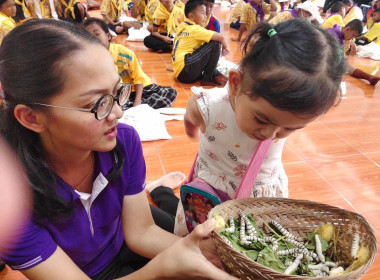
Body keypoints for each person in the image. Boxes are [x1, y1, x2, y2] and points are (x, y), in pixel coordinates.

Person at [0, 19, 238, 280]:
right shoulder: (10, 202)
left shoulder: (122, 141)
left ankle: (156, 189)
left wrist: (199, 257)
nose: (117, 112)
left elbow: (141, 232)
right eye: (97, 103)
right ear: (32, 118)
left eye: (116, 93)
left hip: (123, 240)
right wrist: (165, 266)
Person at [173, 18, 346, 236]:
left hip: (257, 200)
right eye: (262, 120)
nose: (270, 135)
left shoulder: (278, 113)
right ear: (236, 83)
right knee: (199, 244)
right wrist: (192, 130)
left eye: (289, 129)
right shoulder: (208, 106)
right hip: (208, 197)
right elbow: (191, 113)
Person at [83, 17, 178, 109]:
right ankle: (128, 107)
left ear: (108, 36)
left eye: (96, 34)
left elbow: (139, 79)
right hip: (118, 94)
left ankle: (131, 107)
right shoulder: (89, 59)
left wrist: (137, 102)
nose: (93, 39)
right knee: (101, 104)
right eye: (88, 36)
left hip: (138, 89)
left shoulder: (125, 54)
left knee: (170, 93)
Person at [172, 0, 230, 86]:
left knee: (208, 47)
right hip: (186, 70)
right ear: (191, 16)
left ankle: (215, 74)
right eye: (203, 13)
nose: (206, 16)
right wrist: (226, 48)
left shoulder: (182, 26)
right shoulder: (195, 29)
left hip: (180, 73)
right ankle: (207, 78)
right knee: (215, 44)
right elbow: (221, 37)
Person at [328, 18, 380, 85]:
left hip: (332, 59)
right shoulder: (332, 35)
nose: (352, 38)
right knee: (344, 66)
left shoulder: (342, 34)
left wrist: (351, 44)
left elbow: (342, 55)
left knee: (347, 65)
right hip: (322, 62)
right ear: (348, 29)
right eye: (353, 35)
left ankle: (369, 77)